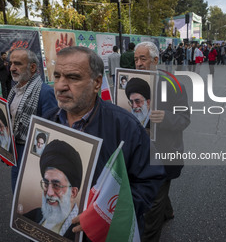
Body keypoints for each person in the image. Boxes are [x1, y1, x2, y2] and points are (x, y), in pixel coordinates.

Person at [42, 46, 166, 235]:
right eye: (57, 76)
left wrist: (107, 216)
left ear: (97, 83)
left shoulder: (125, 126)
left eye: (73, 77)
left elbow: (149, 179)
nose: (60, 86)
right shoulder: (47, 121)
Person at [134, 41, 190, 242]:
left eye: (143, 59)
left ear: (155, 60)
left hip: (164, 152)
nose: (138, 63)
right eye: (136, 59)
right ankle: (168, 211)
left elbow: (185, 119)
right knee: (159, 194)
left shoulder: (173, 84)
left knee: (152, 205)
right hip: (141, 152)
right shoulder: (132, 82)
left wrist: (165, 117)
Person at [8, 48, 58, 192]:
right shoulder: (14, 91)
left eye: (17, 64)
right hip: (15, 152)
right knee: (17, 193)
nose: (12, 68)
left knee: (31, 196)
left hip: (34, 156)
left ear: (33, 67)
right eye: (11, 63)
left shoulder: (45, 92)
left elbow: (51, 130)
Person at [24, 140, 82, 240]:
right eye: (46, 184)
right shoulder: (33, 216)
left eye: (56, 185)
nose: (49, 193)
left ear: (73, 192)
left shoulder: (82, 232)